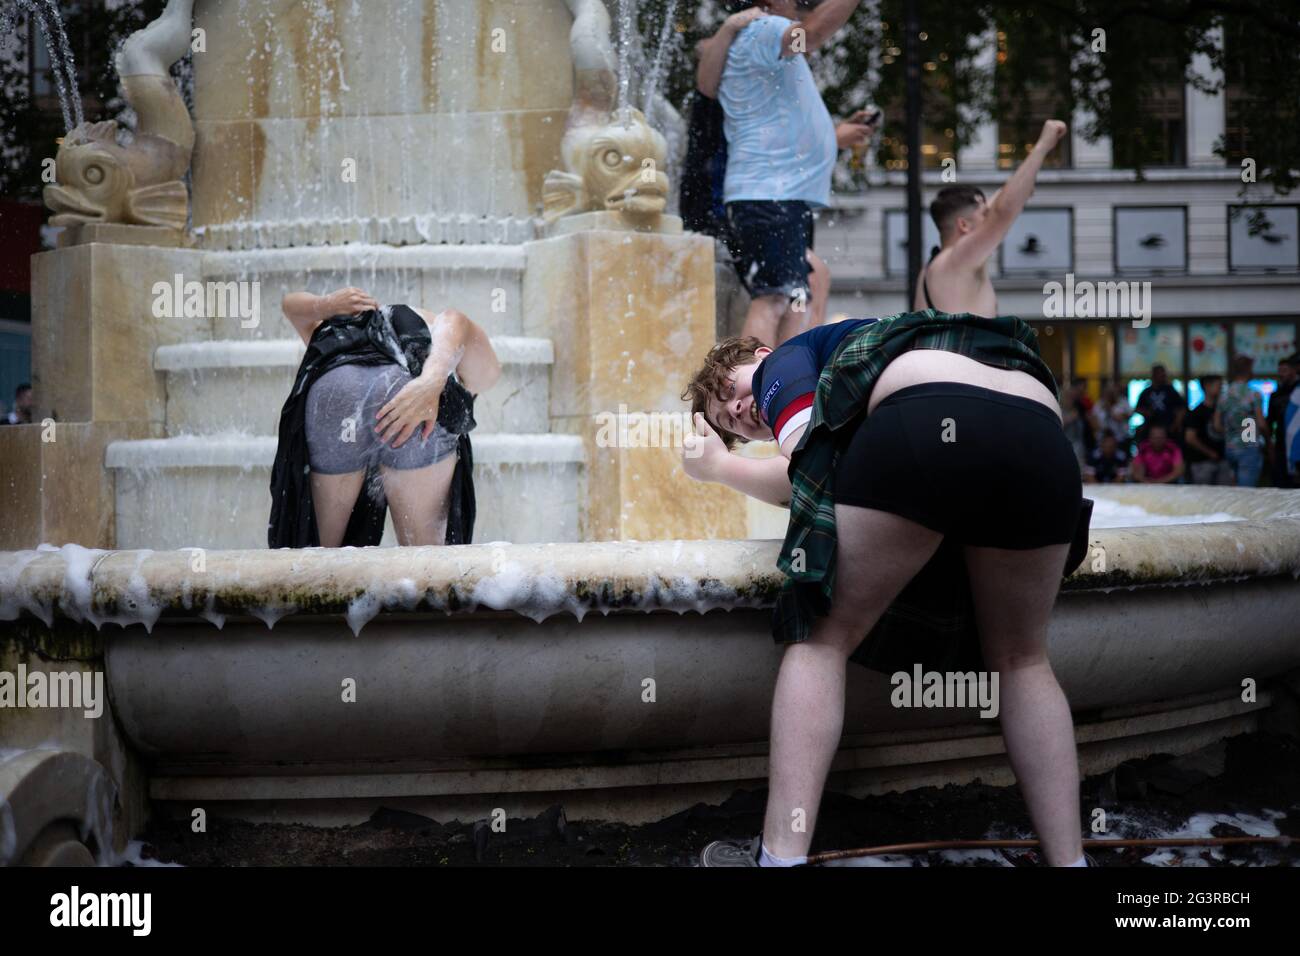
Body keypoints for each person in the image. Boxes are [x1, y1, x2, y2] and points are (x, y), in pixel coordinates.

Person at [680, 311, 1093, 868]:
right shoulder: (858, 339)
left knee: (823, 640)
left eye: (729, 391)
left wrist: (719, 468)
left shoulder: (785, 360)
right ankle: (1070, 863)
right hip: (1039, 435)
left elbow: (805, 457)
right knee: (1022, 660)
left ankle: (778, 860)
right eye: (734, 427)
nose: (736, 413)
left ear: (757, 354)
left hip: (929, 418)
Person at [268, 287, 500, 548]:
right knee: (426, 565)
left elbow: (289, 304)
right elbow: (454, 320)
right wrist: (432, 381)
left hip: (337, 385)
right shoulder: (434, 337)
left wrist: (325, 305)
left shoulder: (340, 328)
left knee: (318, 560)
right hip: (411, 385)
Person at [710, 0, 872, 346]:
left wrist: (832, 136)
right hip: (769, 195)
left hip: (776, 196)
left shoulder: (760, 39)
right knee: (775, 298)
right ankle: (752, 393)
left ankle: (782, 390)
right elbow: (810, 36)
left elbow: (777, 123)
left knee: (799, 294)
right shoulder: (764, 29)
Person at [913, 120, 1068, 317]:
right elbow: (1002, 212)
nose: (989, 220)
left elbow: (1000, 202)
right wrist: (1043, 145)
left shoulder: (930, 270)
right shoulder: (959, 258)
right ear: (963, 225)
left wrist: (1021, 188)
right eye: (984, 214)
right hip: (967, 349)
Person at [1215, 354, 1267, 488]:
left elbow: (1216, 425)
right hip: (1248, 446)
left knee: (1234, 492)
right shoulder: (1253, 394)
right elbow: (1261, 424)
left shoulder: (1224, 395)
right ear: (1249, 370)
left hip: (1230, 447)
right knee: (1247, 492)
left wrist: (1231, 432)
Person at [1182, 376, 1231, 485]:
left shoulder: (1223, 411)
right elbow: (1190, 438)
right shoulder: (1196, 412)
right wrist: (1209, 453)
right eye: (1218, 386)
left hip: (1222, 461)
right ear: (1207, 387)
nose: (1221, 389)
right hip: (1202, 462)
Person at [1266, 353, 1298, 488]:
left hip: (1296, 443)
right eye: (1279, 371)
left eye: (1284, 371)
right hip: (1280, 445)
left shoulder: (1297, 391)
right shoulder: (1276, 395)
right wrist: (1269, 444)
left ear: (1293, 370)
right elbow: (1269, 421)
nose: (1281, 374)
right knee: (1281, 484)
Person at [1134, 364, 1185, 445]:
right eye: (1160, 374)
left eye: (1163, 373)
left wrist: (1176, 424)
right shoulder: (1147, 392)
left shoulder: (1170, 391)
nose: (1162, 376)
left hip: (1168, 426)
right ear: (1153, 375)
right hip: (1150, 427)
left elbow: (1181, 409)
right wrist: (1146, 412)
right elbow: (1137, 408)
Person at [1091, 380, 1132, 445]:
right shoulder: (1098, 404)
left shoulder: (1124, 403)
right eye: (1107, 391)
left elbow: (1121, 418)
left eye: (1112, 391)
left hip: (1120, 439)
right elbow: (1094, 423)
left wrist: (1109, 409)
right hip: (1102, 440)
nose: (1110, 393)